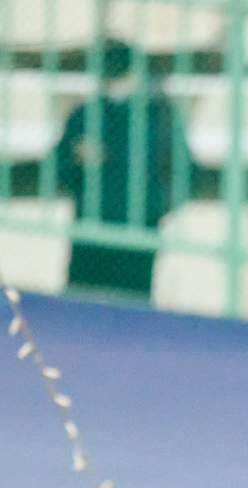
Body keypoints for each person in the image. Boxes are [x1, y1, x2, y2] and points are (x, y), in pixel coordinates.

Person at [53, 39, 190, 298]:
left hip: (136, 230)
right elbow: (60, 169)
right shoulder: (87, 114)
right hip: (92, 229)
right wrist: (77, 158)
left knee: (129, 310)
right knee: (86, 307)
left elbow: (182, 175)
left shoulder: (160, 116)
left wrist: (152, 208)